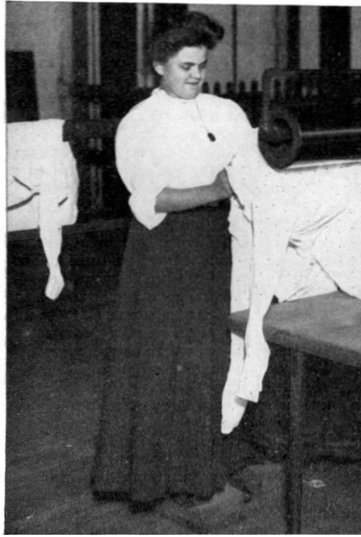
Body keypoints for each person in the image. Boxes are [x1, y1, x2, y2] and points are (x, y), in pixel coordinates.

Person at [91, 11, 255, 514]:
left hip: (216, 243)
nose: (196, 75)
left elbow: (250, 165)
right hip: (163, 249)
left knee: (209, 356)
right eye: (186, 66)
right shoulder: (140, 122)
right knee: (162, 359)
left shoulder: (224, 111)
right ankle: (150, 479)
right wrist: (219, 188)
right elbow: (152, 198)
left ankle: (201, 470)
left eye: (201, 66)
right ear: (159, 65)